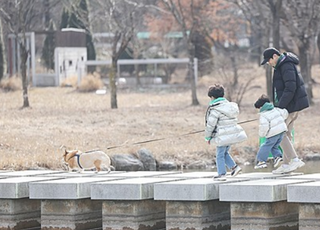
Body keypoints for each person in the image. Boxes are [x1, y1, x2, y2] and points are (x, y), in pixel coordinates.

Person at [260, 47, 309, 174]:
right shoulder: (281, 65)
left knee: (277, 133)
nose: (268, 63)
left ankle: (294, 159)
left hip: (289, 106)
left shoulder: (285, 65)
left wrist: (279, 107)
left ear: (275, 56)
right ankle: (287, 165)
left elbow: (290, 88)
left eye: (269, 60)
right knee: (285, 133)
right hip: (289, 106)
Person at [204, 84, 247, 181]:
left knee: (219, 154)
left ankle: (222, 174)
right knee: (224, 153)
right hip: (232, 134)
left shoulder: (215, 109)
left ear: (212, 97)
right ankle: (234, 167)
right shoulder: (230, 106)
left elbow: (210, 125)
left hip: (222, 135)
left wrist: (208, 137)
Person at [253, 94, 288, 169]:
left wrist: (262, 135)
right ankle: (278, 157)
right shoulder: (276, 109)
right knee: (274, 146)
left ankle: (261, 161)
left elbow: (264, 127)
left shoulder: (264, 115)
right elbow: (285, 113)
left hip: (273, 133)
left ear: (261, 107)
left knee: (265, 145)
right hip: (281, 131)